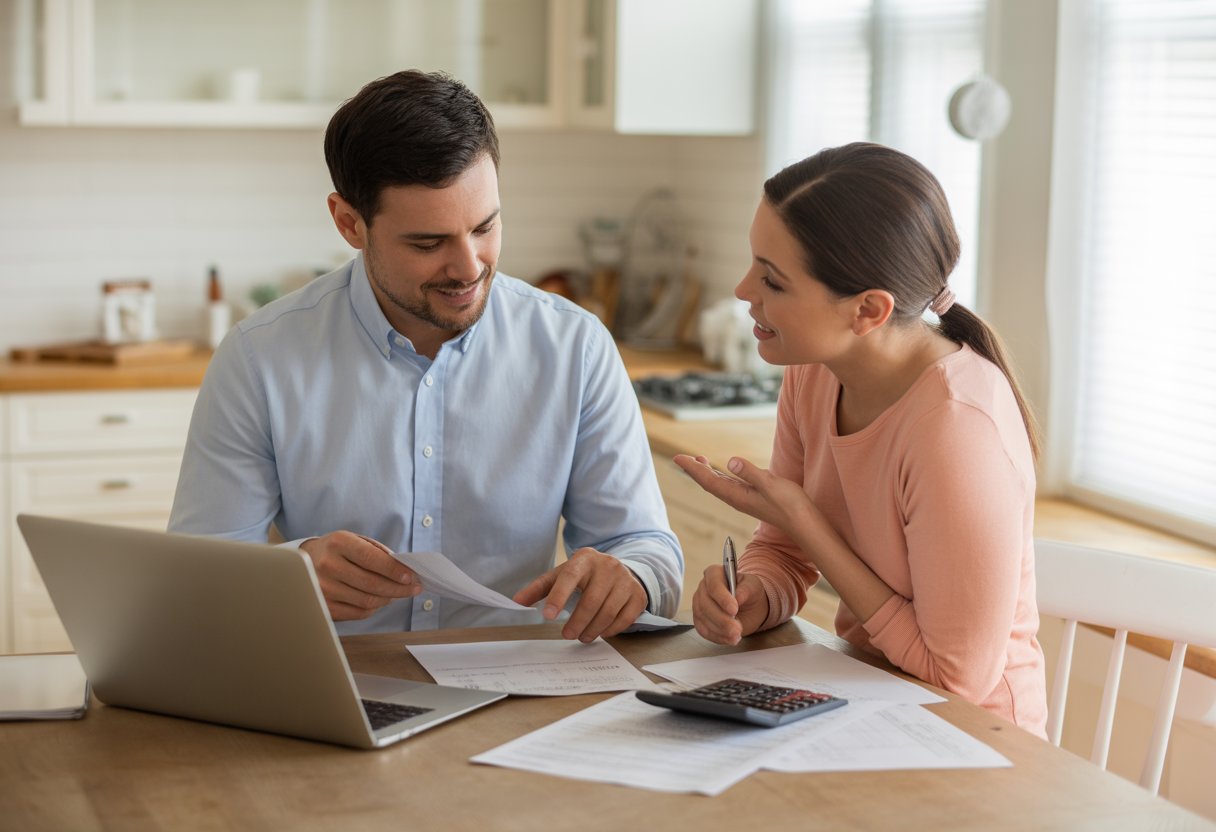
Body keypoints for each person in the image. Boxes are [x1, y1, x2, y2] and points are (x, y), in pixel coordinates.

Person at [169, 70, 682, 641]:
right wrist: (287, 576)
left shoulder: (576, 348)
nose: (468, 267)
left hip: (516, 691)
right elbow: (197, 579)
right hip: (340, 691)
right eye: (427, 243)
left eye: (484, 226)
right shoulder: (259, 359)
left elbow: (645, 547)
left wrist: (631, 577)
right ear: (349, 223)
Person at [676, 142, 1047, 736]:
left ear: (868, 310)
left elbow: (953, 682)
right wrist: (750, 597)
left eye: (772, 279)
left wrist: (803, 519)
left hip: (974, 744)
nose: (744, 289)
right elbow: (783, 554)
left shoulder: (956, 429)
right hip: (863, 702)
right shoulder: (815, 370)